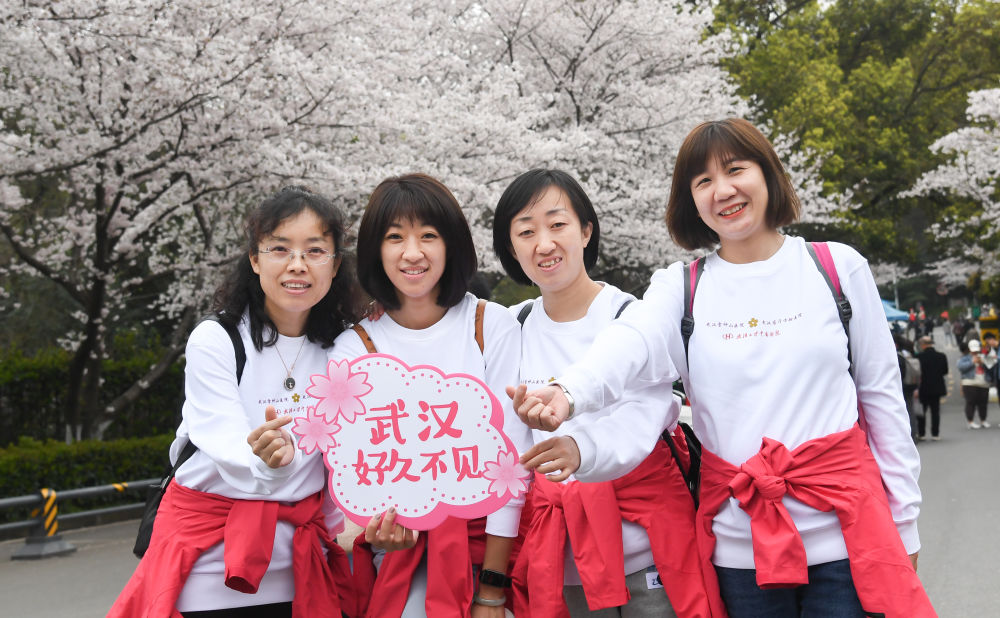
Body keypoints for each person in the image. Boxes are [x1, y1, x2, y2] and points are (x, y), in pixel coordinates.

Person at [510, 119, 933, 617]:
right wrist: (569, 392)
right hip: (739, 549)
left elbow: (883, 401)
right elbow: (631, 341)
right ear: (692, 201)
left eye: (736, 170)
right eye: (704, 181)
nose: (723, 191)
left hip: (848, 537)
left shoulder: (836, 267)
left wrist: (905, 525)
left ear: (768, 175)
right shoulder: (681, 287)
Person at [110, 186, 359, 617]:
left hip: (303, 568)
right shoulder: (217, 339)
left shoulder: (347, 348)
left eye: (315, 250)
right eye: (279, 248)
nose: (297, 264)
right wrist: (268, 460)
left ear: (335, 265)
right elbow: (222, 435)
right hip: (208, 567)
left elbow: (351, 454)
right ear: (255, 259)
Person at [493, 169, 722, 617]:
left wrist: (580, 449)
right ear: (511, 248)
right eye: (526, 232)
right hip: (562, 561)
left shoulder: (630, 317)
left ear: (586, 231)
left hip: (647, 552)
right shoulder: (510, 327)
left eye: (557, 224)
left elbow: (644, 416)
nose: (544, 243)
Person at [334, 173, 531, 618]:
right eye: (394, 237)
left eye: (428, 235)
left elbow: (512, 462)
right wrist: (376, 524)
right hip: (406, 553)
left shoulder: (491, 326)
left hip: (499, 543)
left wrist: (492, 590)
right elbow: (360, 466)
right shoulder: (355, 348)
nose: (412, 253)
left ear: (451, 243)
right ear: (375, 250)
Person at [916, 336, 948, 441]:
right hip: (937, 387)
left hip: (923, 387)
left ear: (923, 345)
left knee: (922, 411)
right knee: (935, 411)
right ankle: (935, 433)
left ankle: (922, 433)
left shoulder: (918, 357)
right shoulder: (941, 356)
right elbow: (945, 371)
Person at [957, 338, 991, 429]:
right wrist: (972, 362)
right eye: (973, 350)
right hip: (969, 383)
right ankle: (970, 421)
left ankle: (983, 420)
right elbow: (960, 367)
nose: (975, 352)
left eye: (976, 350)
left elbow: (991, 367)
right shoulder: (965, 358)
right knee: (970, 402)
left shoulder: (984, 356)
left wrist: (983, 363)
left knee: (983, 403)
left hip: (983, 382)